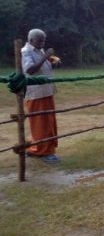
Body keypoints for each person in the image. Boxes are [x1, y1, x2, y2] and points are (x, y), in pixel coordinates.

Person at [21, 29, 61, 164]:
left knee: (49, 122)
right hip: (36, 94)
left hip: (47, 91)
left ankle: (46, 149)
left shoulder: (39, 50)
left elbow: (44, 68)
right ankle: (42, 151)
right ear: (31, 40)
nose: (43, 43)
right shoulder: (26, 51)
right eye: (40, 40)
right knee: (40, 124)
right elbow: (30, 70)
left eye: (44, 40)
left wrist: (53, 64)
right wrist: (46, 56)